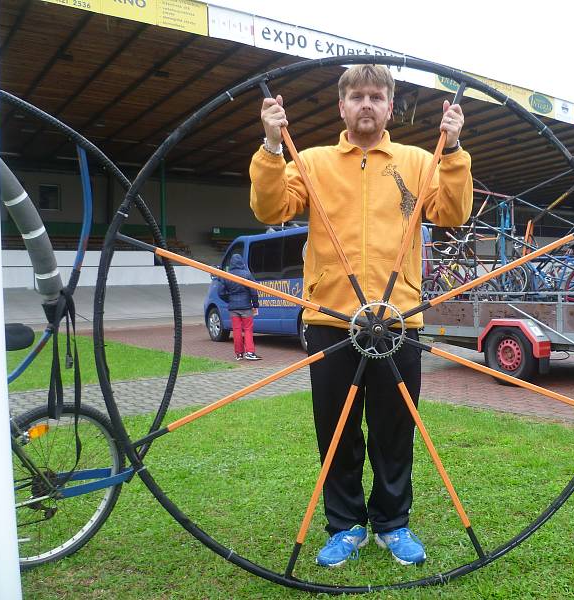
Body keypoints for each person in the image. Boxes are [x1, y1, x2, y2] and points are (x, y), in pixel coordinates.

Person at [249, 65, 472, 567]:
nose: (366, 104)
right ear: (342, 106)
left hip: (399, 321)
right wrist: (270, 146)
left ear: (391, 107)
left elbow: (452, 213)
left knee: (396, 427)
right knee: (337, 427)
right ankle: (346, 525)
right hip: (332, 319)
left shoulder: (418, 161)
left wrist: (454, 150)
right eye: (357, 97)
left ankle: (393, 523)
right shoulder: (313, 162)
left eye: (376, 97)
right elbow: (271, 209)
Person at [221, 253, 261, 361]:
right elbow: (254, 290)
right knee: (248, 329)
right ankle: (250, 352)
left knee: (237, 330)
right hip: (246, 307)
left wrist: (229, 300)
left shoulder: (227, 275)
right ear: (241, 262)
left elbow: (221, 292)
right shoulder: (247, 274)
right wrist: (255, 304)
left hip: (233, 308)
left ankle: (239, 354)